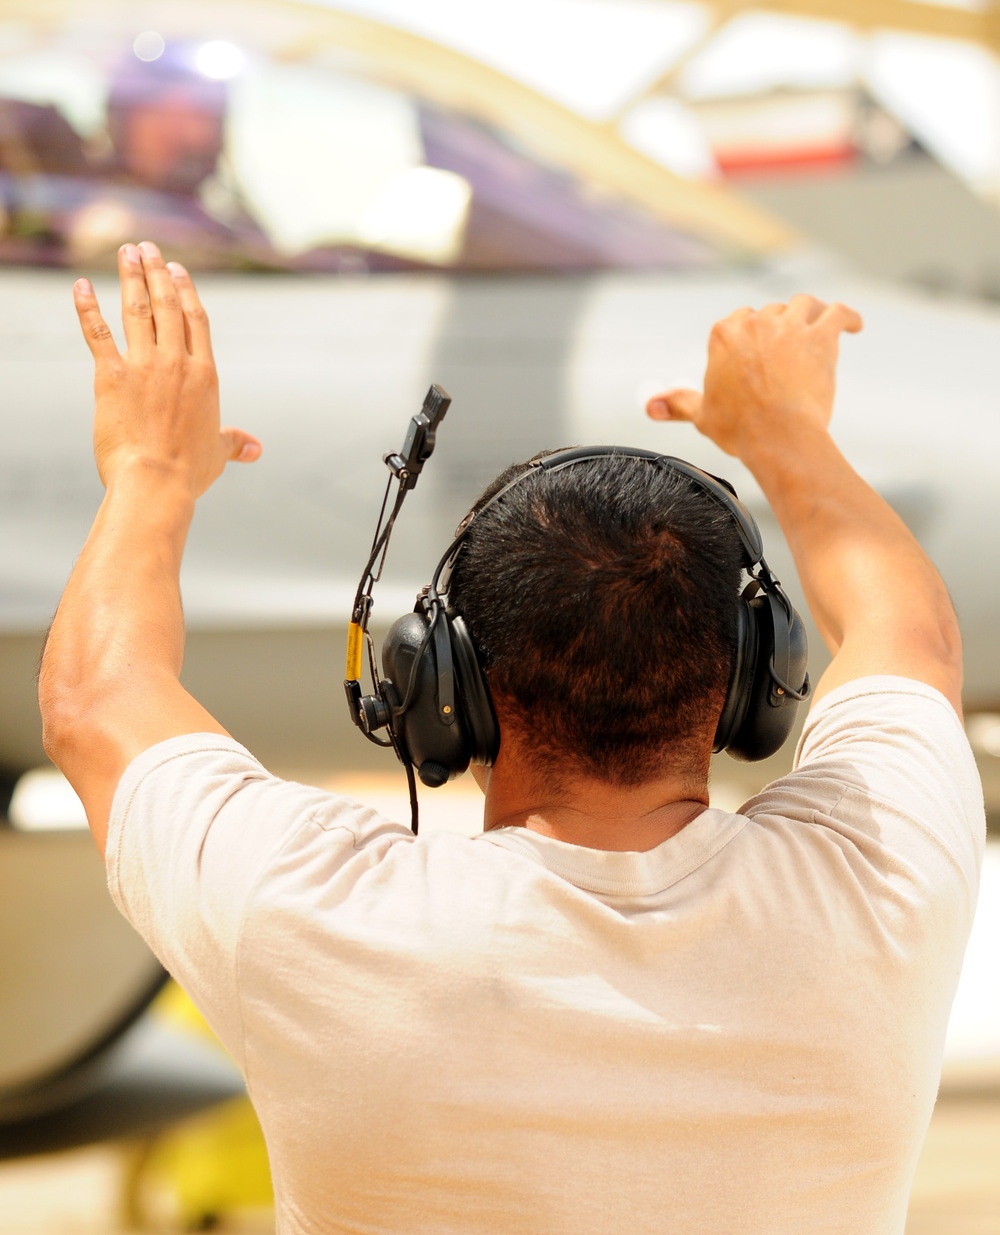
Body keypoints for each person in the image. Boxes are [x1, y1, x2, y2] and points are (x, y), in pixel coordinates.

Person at [40, 242, 983, 1235]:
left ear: (442, 688)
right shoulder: (879, 885)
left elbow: (95, 700)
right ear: (754, 678)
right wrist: (788, 436)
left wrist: (147, 472)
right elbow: (909, 635)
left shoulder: (314, 914)